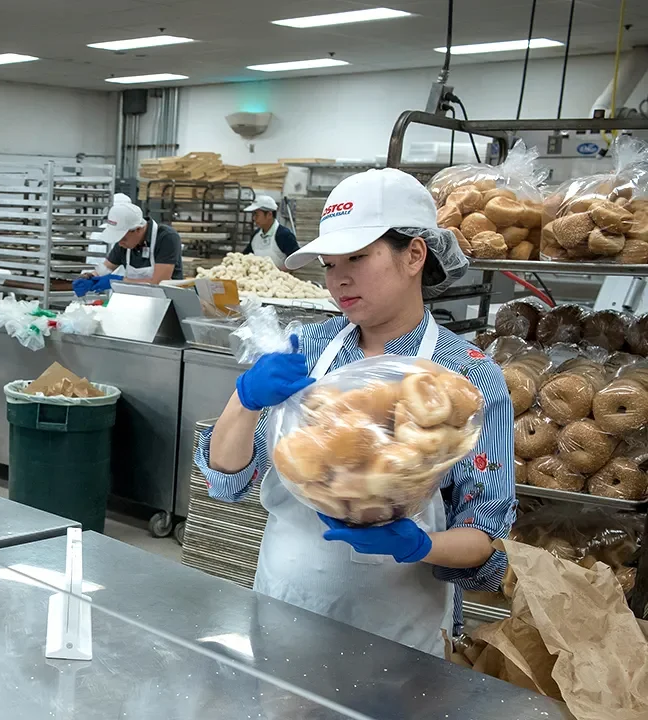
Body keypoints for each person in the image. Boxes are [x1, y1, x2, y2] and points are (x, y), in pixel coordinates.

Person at [195, 168, 513, 656]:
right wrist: (244, 399)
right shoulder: (305, 351)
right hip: (285, 608)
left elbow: (485, 539)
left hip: (400, 633)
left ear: (414, 255)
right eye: (328, 264)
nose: (338, 278)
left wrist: (422, 545)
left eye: (357, 258)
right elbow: (227, 481)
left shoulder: (466, 376)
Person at [87, 199, 183, 284]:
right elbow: (106, 268)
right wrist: (90, 277)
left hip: (166, 298)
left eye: (123, 238)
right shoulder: (124, 243)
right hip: (135, 297)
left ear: (138, 229)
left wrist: (119, 281)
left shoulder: (166, 238)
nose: (120, 244)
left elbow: (159, 283)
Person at [242, 195, 299, 270]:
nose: (254, 218)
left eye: (256, 214)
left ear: (269, 214)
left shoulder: (284, 235)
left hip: (279, 277)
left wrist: (278, 271)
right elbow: (245, 256)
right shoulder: (256, 235)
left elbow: (297, 261)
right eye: (253, 214)